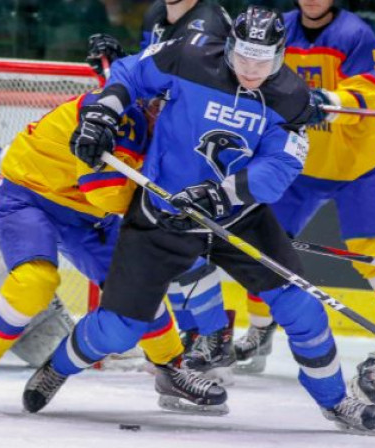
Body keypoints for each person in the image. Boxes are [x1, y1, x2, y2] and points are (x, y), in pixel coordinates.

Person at [23, 6, 375, 435]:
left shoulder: (290, 97)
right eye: (244, 57)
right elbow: (130, 71)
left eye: (264, 60)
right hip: (163, 211)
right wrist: (104, 110)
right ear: (230, 46)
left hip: (239, 217)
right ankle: (58, 367)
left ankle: (336, 401)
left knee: (302, 308)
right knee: (118, 332)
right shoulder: (190, 54)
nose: (252, 70)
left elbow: (278, 169)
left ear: (280, 55)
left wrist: (221, 194)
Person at [0, 83, 228, 415]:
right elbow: (105, 194)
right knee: (34, 282)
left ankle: (169, 367)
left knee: (139, 290)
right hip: (30, 193)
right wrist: (166, 208)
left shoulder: (166, 131)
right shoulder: (117, 116)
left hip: (88, 214)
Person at [232, 0, 375, 406]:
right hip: (299, 166)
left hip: (357, 168)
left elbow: (367, 97)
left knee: (374, 255)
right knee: (264, 249)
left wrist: (325, 99)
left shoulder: (355, 35)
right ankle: (259, 330)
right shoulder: (279, 30)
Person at [86, 0, 237, 381]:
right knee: (163, 244)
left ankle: (214, 332)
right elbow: (151, 69)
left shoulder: (211, 20)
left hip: (197, 145)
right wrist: (120, 64)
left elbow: (207, 87)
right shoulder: (156, 15)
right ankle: (198, 334)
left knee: (180, 241)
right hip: (162, 143)